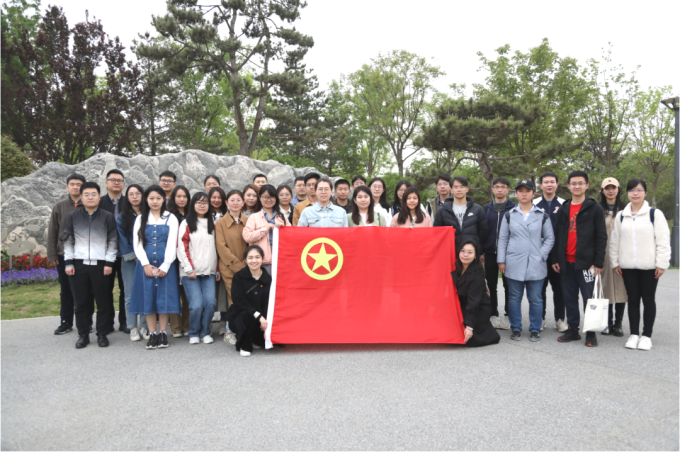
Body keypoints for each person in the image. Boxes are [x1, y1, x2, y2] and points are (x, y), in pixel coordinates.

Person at [610, 179, 671, 351]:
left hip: (650, 266)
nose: (635, 193)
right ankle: (634, 334)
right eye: (631, 190)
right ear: (627, 193)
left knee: (648, 300)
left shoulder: (654, 214)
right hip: (627, 266)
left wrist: (662, 264)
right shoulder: (621, 215)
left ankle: (646, 336)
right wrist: (615, 262)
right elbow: (615, 240)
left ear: (645, 193)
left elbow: (663, 241)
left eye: (639, 190)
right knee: (633, 300)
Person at [550, 170, 608, 347]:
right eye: (573, 183)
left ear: (587, 185)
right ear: (568, 186)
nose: (577, 186)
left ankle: (590, 332)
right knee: (569, 298)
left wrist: (598, 262)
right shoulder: (564, 208)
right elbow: (557, 235)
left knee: (588, 299)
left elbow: (601, 236)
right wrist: (555, 258)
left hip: (586, 263)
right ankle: (573, 329)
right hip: (566, 262)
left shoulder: (594, 208)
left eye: (580, 183)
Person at [497, 180, 554, 342]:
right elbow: (502, 239)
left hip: (536, 262)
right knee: (514, 297)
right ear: (516, 193)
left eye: (527, 191)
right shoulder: (509, 215)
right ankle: (516, 328)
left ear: (533, 194)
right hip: (514, 261)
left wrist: (541, 255)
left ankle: (535, 328)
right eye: (520, 191)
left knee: (535, 298)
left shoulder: (542, 215)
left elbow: (550, 238)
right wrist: (501, 260)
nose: (524, 194)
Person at [63, 182, 117, 349]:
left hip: (101, 265)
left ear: (99, 197)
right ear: (81, 197)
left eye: (94, 194)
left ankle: (102, 333)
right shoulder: (73, 217)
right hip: (78, 265)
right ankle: (83, 334)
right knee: (81, 302)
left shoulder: (107, 216)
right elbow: (68, 240)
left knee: (103, 301)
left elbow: (113, 241)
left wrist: (109, 262)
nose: (90, 197)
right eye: (86, 194)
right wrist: (69, 262)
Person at [129, 185, 181, 350]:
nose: (155, 201)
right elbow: (137, 244)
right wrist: (145, 264)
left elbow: (173, 243)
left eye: (158, 198)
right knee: (148, 297)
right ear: (146, 200)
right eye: (151, 198)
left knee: (163, 298)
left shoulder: (171, 218)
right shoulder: (140, 219)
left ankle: (163, 332)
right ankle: (152, 333)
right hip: (146, 263)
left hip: (166, 262)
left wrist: (166, 265)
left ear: (163, 199)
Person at [177, 192, 220, 345]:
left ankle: (205, 331)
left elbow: (217, 247)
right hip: (190, 272)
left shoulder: (213, 223)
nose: (202, 205)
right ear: (193, 205)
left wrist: (217, 269)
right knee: (196, 305)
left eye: (205, 203)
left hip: (209, 272)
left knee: (210, 303)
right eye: (199, 202)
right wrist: (189, 268)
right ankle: (194, 332)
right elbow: (181, 247)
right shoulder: (186, 223)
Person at [47, 173, 87, 335]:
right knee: (66, 290)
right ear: (67, 187)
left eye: (79, 184)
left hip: (85, 254)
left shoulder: (89, 205)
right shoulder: (59, 206)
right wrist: (52, 255)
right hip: (64, 254)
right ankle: (66, 322)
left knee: (85, 290)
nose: (75, 187)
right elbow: (53, 231)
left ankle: (86, 322)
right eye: (72, 184)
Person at [533, 171, 567, 333]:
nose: (549, 184)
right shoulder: (533, 203)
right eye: (546, 182)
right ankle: (541, 318)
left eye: (552, 182)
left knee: (559, 289)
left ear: (557, 184)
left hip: (558, 253)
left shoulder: (564, 203)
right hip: (539, 253)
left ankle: (560, 319)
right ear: (541, 185)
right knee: (539, 288)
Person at [116, 184, 150, 342]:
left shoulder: (149, 214)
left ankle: (144, 325)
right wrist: (136, 257)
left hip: (148, 260)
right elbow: (122, 240)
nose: (135, 197)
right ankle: (132, 327)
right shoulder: (122, 217)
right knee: (130, 293)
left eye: (138, 194)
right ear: (127, 197)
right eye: (131, 194)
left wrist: (145, 258)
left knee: (146, 292)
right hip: (130, 261)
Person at [215, 189, 249, 345]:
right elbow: (221, 247)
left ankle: (245, 330)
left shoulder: (248, 220)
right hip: (229, 268)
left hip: (248, 267)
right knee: (234, 299)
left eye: (238, 200)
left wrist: (248, 264)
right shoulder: (220, 223)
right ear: (226, 203)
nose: (235, 203)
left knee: (247, 298)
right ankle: (230, 331)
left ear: (243, 202)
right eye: (232, 200)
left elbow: (252, 243)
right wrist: (240, 267)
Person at [452, 240, 501, 347]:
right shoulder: (456, 268)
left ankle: (489, 334)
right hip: (464, 305)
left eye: (470, 252)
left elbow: (473, 302)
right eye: (463, 251)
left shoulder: (476, 275)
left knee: (465, 339)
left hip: (478, 308)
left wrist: (469, 327)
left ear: (475, 256)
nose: (465, 255)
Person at [226, 245, 272, 357]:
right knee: (247, 317)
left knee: (265, 343)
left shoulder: (268, 279)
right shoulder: (238, 277)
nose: (254, 261)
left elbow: (268, 303)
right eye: (250, 258)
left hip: (260, 319)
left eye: (257, 257)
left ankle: (255, 338)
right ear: (245, 260)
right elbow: (239, 301)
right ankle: (244, 345)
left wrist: (268, 327)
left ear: (262, 259)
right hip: (241, 316)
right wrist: (259, 316)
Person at [482, 177, 515, 331]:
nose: (500, 189)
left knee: (509, 285)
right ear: (492, 189)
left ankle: (509, 315)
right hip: (489, 252)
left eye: (503, 187)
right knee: (491, 285)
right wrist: (481, 251)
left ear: (508, 190)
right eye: (497, 187)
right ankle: (493, 314)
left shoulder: (514, 209)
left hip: (509, 254)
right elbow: (481, 231)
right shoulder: (485, 209)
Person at [99, 169, 128, 333]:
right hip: (104, 254)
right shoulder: (100, 202)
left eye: (119, 180)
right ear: (106, 183)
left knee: (126, 289)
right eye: (113, 180)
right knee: (105, 289)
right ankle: (107, 322)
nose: (116, 182)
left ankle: (125, 321)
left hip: (124, 253)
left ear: (123, 184)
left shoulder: (129, 202)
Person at [598, 177, 628, 337]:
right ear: (602, 191)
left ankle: (618, 323)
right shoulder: (598, 210)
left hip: (622, 255)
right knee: (606, 287)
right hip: (603, 255)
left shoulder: (626, 209)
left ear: (618, 189)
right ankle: (607, 322)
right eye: (607, 188)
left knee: (622, 288)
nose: (610, 191)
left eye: (613, 188)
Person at [433, 176, 488, 254]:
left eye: (462, 186)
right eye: (455, 187)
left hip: (471, 253)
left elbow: (483, 233)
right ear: (451, 190)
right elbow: (437, 233)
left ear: (467, 189)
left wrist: (480, 252)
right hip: (450, 252)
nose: (459, 190)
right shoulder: (442, 211)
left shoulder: (477, 209)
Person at [243, 185, 290, 274]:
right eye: (265, 197)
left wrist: (283, 230)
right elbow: (247, 236)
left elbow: (291, 237)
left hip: (280, 257)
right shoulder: (253, 217)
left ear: (276, 198)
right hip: (261, 259)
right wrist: (265, 229)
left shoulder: (282, 217)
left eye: (272, 197)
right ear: (260, 198)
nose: (269, 200)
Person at [168, 186, 191, 338]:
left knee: (188, 293)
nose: (182, 199)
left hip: (188, 258)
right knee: (174, 292)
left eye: (184, 196)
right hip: (172, 259)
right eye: (178, 196)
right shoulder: (168, 215)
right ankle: (176, 326)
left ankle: (187, 325)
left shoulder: (192, 215)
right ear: (173, 198)